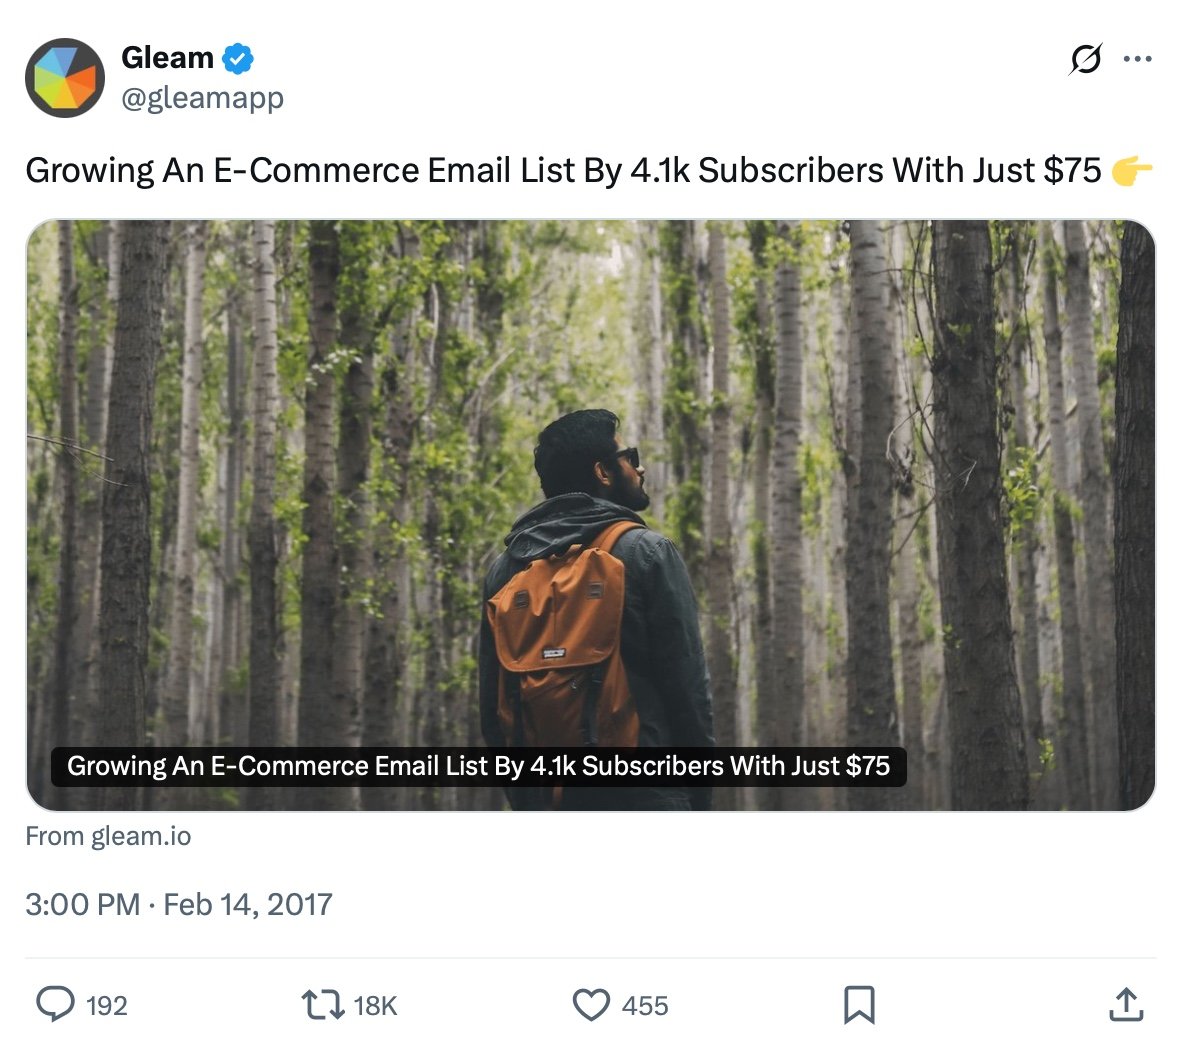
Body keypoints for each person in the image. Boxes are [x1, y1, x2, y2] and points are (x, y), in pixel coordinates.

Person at [478, 409, 714, 810]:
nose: (639, 467)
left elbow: (494, 711)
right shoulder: (646, 553)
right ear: (602, 473)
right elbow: (688, 694)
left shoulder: (506, 570)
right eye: (629, 456)